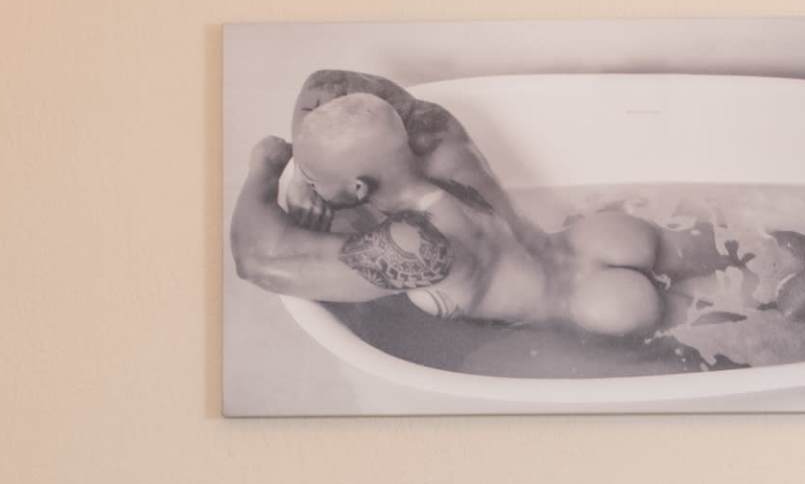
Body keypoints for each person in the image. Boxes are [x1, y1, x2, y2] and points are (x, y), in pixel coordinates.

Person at [226, 69, 681, 339]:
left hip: (595, 307)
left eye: (314, 179)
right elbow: (327, 82)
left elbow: (258, 261)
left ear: (358, 189)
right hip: (600, 237)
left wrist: (265, 169)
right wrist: (316, 151)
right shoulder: (441, 137)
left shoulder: (417, 246)